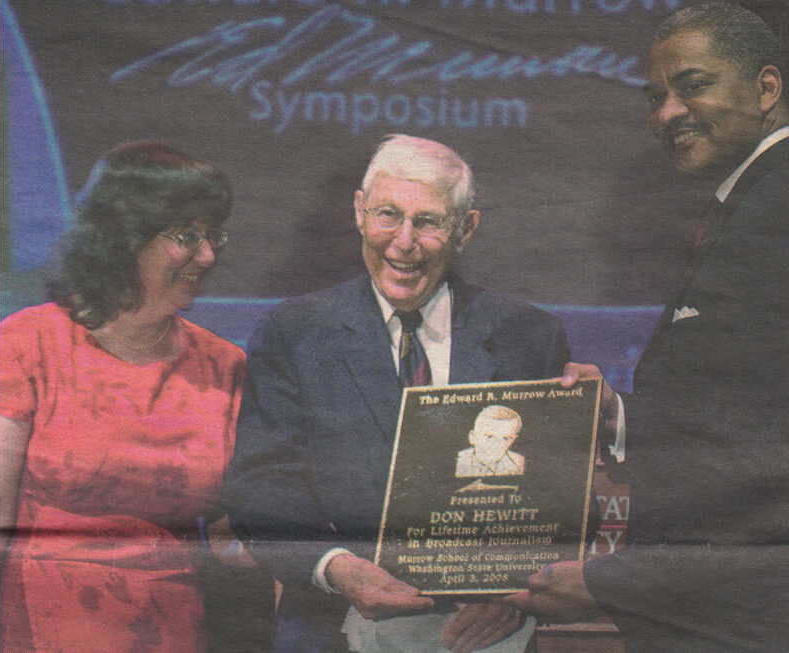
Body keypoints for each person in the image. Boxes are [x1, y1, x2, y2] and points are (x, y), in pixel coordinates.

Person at [507, 3, 789, 650]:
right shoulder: (751, 203)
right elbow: (739, 412)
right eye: (655, 97)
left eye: (693, 85)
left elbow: (761, 474)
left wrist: (618, 582)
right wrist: (619, 416)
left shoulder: (777, 209)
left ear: (766, 88)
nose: (667, 113)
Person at [225, 134, 571, 653]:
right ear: (359, 212)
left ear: (466, 229)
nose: (404, 242)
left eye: (428, 221)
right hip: (333, 625)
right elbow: (260, 486)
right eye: (388, 215)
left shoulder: (530, 336)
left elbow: (561, 496)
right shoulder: (294, 333)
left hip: (485, 636)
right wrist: (337, 568)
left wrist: (515, 593)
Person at [0, 142, 257, 652]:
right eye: (187, 236)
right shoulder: (28, 344)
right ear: (123, 237)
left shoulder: (224, 366)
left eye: (212, 235)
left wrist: (338, 550)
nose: (208, 255)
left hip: (171, 632)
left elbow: (228, 541)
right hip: (41, 629)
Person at [455, 405, 525, 478]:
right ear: (473, 437)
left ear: (513, 440)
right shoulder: (457, 460)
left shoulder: (517, 465)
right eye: (490, 437)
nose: (497, 445)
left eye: (506, 438)